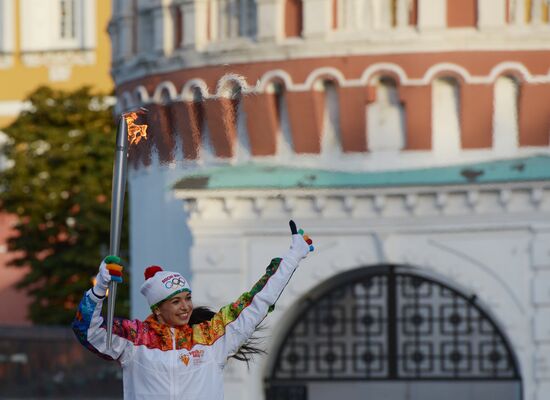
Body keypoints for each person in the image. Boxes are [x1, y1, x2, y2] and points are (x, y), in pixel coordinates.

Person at [72, 220, 314, 400]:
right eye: (175, 301)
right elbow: (88, 331)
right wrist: (99, 288)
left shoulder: (212, 337)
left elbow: (257, 302)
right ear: (158, 309)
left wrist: (292, 257)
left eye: (187, 298)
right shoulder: (135, 340)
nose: (186, 306)